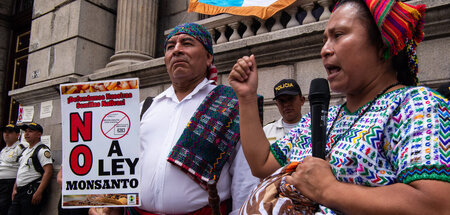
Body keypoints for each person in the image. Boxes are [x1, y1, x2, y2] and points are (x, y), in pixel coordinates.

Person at [229, 0, 450, 214]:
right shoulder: (322, 117)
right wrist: (247, 98)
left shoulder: (417, 105)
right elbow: (262, 164)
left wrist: (329, 190)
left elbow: (437, 204)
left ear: (382, 44)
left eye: (338, 35)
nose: (324, 50)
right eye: (324, 39)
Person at [90, 23, 258, 215]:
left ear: (208, 57)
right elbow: (120, 164)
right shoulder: (145, 108)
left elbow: (245, 178)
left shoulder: (230, 104)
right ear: (166, 60)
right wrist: (107, 203)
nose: (177, 50)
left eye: (187, 43)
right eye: (170, 47)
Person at [8, 122, 53, 215]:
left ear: (39, 134)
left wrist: (39, 192)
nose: (27, 134)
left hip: (31, 190)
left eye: (30, 131)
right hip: (20, 191)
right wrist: (15, 189)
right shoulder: (25, 151)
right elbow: (21, 171)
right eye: (26, 131)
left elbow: (48, 171)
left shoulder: (42, 150)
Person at [263, 79, 305, 144]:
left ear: (302, 100)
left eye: (290, 99)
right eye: (281, 101)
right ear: (277, 105)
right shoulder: (266, 131)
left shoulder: (313, 129)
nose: (286, 104)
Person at [0, 124, 25, 215]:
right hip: (2, 182)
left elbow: (22, 167)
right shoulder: (4, 150)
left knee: (4, 206)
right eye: (5, 132)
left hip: (9, 182)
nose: (6, 134)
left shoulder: (20, 148)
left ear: (17, 135)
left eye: (10, 132)